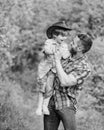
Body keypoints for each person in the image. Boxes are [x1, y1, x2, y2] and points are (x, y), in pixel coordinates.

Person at [43, 24, 93, 130]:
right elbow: (49, 54)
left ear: (79, 48)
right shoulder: (65, 53)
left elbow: (65, 82)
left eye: (73, 43)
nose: (70, 43)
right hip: (51, 101)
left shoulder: (84, 67)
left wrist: (57, 61)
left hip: (66, 104)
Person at [36, 21, 72, 115]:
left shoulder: (64, 45)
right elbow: (47, 50)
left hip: (54, 70)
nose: (64, 38)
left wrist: (67, 53)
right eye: (62, 36)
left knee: (50, 89)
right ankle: (39, 107)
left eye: (65, 36)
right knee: (42, 88)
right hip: (45, 69)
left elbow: (65, 56)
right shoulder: (49, 42)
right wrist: (56, 50)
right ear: (55, 35)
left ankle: (45, 106)